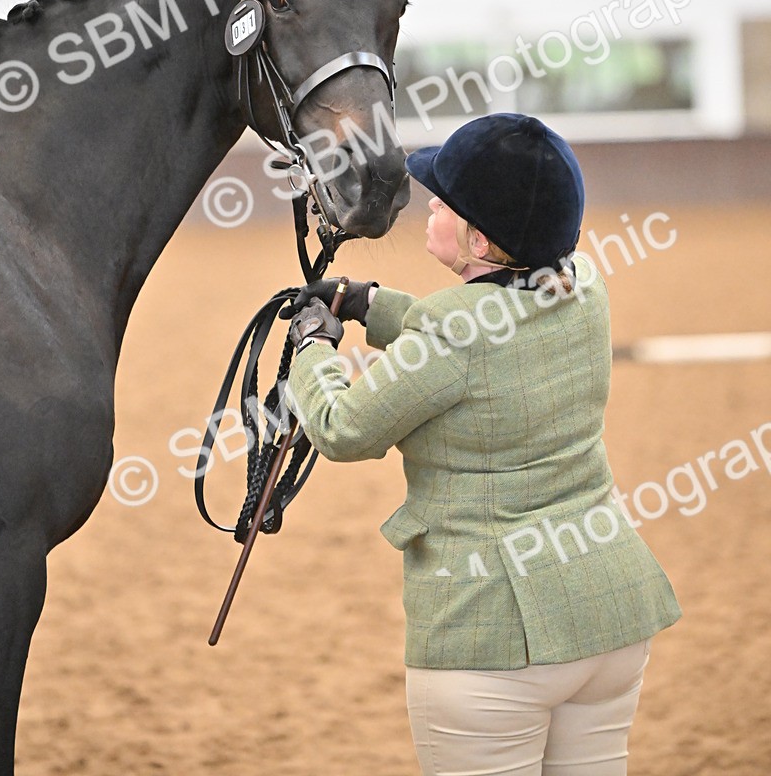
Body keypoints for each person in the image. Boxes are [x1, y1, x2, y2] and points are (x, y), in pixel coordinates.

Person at [284, 112, 681, 776]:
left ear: (480, 240)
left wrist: (313, 347)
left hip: (489, 639)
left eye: (446, 202)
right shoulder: (584, 285)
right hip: (608, 616)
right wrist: (371, 305)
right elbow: (483, 329)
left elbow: (341, 427)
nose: (430, 205)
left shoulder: (449, 335)